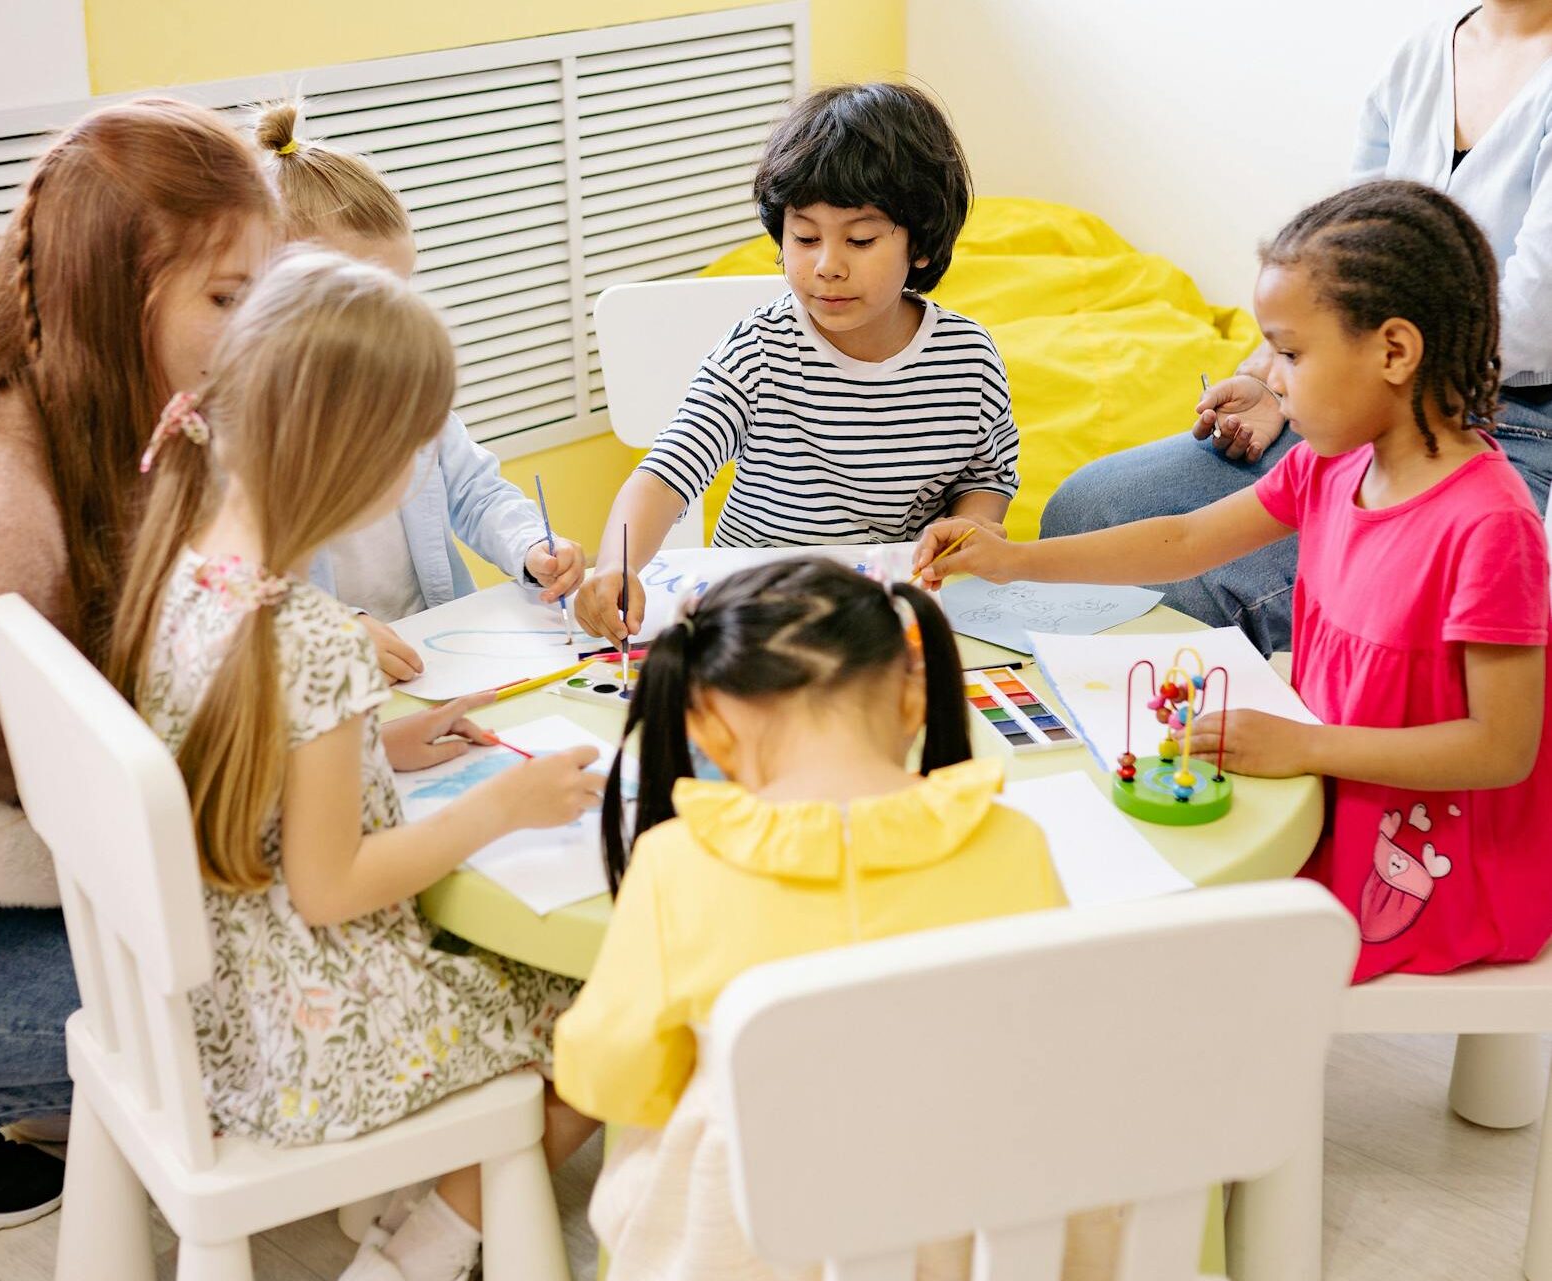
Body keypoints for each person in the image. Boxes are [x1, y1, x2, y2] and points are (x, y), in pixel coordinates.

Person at [107, 248, 600, 1281]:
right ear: (363, 457)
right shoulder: (317, 635)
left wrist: (385, 741)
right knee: (613, 1008)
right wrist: (502, 806)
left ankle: (415, 1222)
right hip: (315, 1040)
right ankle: (418, 1254)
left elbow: (259, 763)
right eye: (417, 446)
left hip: (210, 1011)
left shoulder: (188, 569)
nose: (422, 467)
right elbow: (330, 889)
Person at [918, 181, 1552, 983]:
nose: (1273, 380)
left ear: (1393, 351)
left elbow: (1500, 748)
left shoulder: (1491, 526)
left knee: (1175, 959)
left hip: (1429, 865)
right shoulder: (1333, 464)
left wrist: (1300, 745)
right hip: (1327, 794)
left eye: (1289, 352)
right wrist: (1009, 560)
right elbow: (1183, 540)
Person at [0, 97, 274, 1228]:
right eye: (231, 299)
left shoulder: (120, 418)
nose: (261, 327)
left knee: (260, 943)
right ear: (114, 294)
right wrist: (159, 878)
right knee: (263, 1005)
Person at [554, 558, 1066, 1279]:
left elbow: (609, 1079)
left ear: (705, 720)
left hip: (747, 1251)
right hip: (964, 1246)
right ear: (914, 695)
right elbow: (1049, 1052)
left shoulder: (675, 865)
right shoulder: (1016, 844)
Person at [1042, 1, 1552, 654]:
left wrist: (1326, 371)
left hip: (1502, 423)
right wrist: (1279, 376)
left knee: (1196, 594)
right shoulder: (1421, 55)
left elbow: (1530, 321)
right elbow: (1340, 263)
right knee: (1082, 512)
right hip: (1357, 396)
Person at [574, 82, 1016, 643]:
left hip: (885, 619)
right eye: (805, 237)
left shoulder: (967, 359)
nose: (827, 265)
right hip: (758, 612)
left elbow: (986, 475)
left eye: (859, 240)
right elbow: (665, 477)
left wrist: (973, 526)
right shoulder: (758, 349)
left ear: (922, 245)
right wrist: (617, 563)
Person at [253, 101, 585, 683]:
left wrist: (531, 545)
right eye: (362, 299)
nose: (389, 320)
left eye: (400, 291)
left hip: (433, 651)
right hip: (325, 678)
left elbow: (476, 493)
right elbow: (250, 592)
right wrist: (336, 628)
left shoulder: (409, 398)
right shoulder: (246, 440)